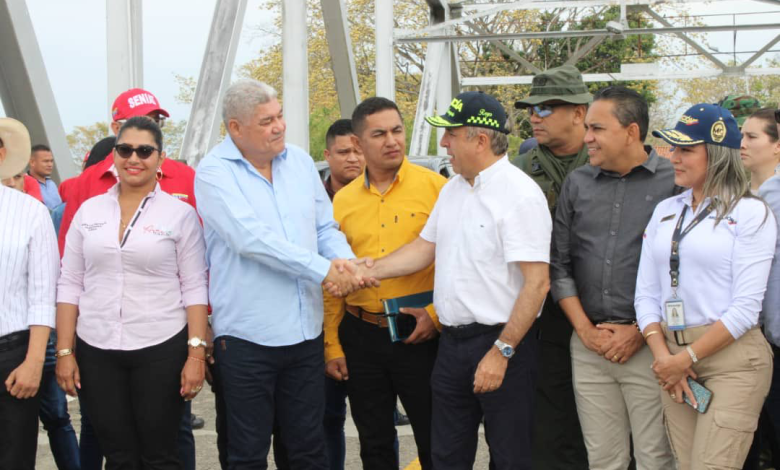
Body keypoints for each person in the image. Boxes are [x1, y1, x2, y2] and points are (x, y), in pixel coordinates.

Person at [351, 91, 550, 469]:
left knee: (510, 457)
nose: (443, 143)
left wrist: (502, 351)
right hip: (452, 347)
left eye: (451, 134)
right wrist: (366, 271)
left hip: (502, 344)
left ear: (480, 140)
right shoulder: (455, 189)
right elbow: (424, 249)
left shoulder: (520, 195)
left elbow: (537, 284)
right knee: (445, 457)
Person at [195, 79, 364, 469]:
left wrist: (346, 264)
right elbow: (251, 240)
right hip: (247, 340)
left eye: (280, 115)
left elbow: (325, 228)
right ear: (235, 128)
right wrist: (325, 271)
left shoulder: (300, 162)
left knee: (307, 450)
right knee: (247, 454)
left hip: (305, 335)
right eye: (266, 120)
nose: (279, 126)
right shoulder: (214, 173)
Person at [57, 89, 202, 470]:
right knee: (117, 453)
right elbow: (70, 281)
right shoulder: (89, 208)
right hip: (97, 345)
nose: (134, 158)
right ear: (114, 153)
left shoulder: (179, 214)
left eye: (144, 151)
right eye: (125, 150)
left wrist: (196, 353)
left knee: (160, 454)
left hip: (160, 344)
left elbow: (195, 287)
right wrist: (65, 352)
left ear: (160, 158)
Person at [636, 104, 776, 470]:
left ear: (714, 154)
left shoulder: (752, 213)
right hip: (673, 359)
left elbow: (746, 309)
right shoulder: (666, 210)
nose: (674, 158)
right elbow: (646, 293)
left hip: (731, 361)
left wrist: (684, 359)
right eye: (674, 149)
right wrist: (664, 357)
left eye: (686, 150)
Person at [550, 86, 676, 469]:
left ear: (632, 132)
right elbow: (560, 265)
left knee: (656, 458)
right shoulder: (578, 183)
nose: (587, 137)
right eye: (588, 127)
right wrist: (585, 331)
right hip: (589, 347)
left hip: (651, 347)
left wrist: (641, 331)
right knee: (604, 459)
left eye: (597, 128)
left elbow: (680, 271)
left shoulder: (675, 182)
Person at [323, 97, 446, 470]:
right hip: (361, 335)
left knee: (435, 438)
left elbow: (458, 266)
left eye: (397, 130)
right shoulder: (341, 202)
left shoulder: (436, 188)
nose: (392, 140)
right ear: (359, 144)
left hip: (420, 332)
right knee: (374, 442)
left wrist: (435, 316)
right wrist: (332, 345)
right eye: (379, 134)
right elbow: (333, 278)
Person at [510, 64, 591, 469]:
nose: (534, 117)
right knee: (549, 414)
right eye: (531, 109)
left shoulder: (604, 157)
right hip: (544, 311)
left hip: (602, 305)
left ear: (579, 112)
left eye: (545, 108)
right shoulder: (519, 171)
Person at [0, 117, 60, 470]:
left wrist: (35, 363)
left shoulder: (31, 212)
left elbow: (43, 295)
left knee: (14, 458)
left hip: (12, 357)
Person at [742, 108, 780, 469]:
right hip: (752, 336)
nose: (743, 144)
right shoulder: (744, 195)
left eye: (753, 137)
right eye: (742, 136)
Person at [28, 144, 62, 210]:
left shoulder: (52, 183)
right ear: (32, 162)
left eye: (51, 161)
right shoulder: (24, 184)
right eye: (45, 161)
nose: (50, 165)